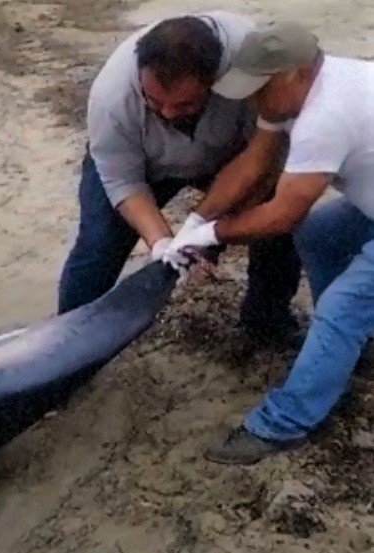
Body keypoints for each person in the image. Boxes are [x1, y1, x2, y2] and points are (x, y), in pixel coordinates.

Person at [165, 21, 374, 464]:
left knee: (342, 305)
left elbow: (282, 214)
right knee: (319, 235)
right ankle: (351, 346)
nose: (253, 101)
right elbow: (256, 163)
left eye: (260, 89)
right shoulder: (301, 92)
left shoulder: (325, 115)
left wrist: (214, 234)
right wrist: (197, 221)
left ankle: (283, 423)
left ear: (293, 74)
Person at [57, 11, 301, 340]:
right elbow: (123, 183)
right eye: (154, 102)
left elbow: (263, 159)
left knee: (276, 218)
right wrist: (161, 242)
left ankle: (266, 320)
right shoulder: (112, 98)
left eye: (184, 105)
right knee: (98, 246)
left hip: (228, 152)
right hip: (144, 161)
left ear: (216, 81)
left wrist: (209, 229)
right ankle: (68, 337)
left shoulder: (254, 67)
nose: (169, 113)